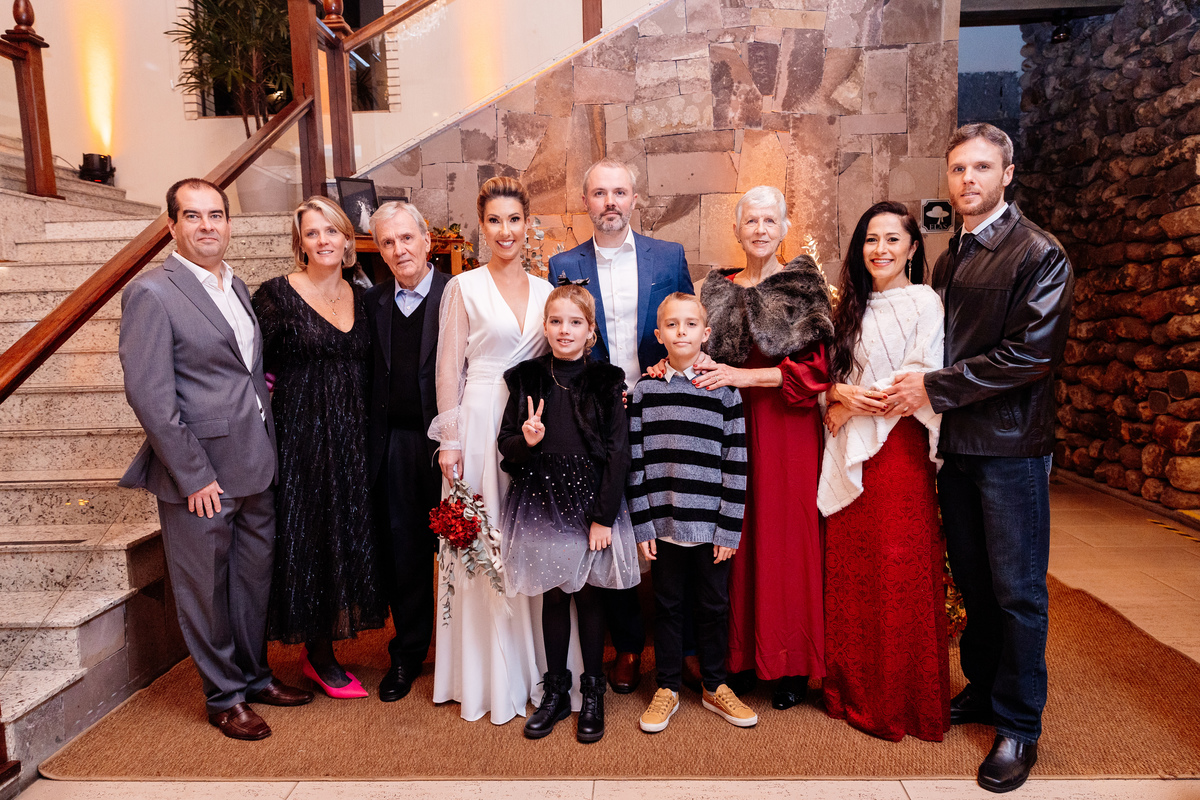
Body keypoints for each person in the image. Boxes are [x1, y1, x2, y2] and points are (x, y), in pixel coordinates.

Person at [885, 123, 1073, 792]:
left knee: (1018, 590)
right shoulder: (950, 256)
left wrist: (933, 387)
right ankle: (988, 690)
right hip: (957, 448)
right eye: (958, 168)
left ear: (1007, 172)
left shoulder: (1038, 254)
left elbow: (1032, 357)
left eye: (981, 167)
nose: (968, 179)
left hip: (1012, 449)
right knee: (973, 582)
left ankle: (1019, 724)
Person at [118, 178, 312, 741]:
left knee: (251, 583)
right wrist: (193, 474)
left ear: (230, 223)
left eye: (217, 215)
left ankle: (253, 676)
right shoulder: (152, 292)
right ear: (171, 226)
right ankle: (223, 696)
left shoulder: (237, 285)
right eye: (194, 216)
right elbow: (151, 396)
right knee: (205, 588)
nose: (208, 225)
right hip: (201, 474)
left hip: (255, 462)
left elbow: (245, 375)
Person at [548, 157, 693, 694]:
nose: (610, 201)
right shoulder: (562, 263)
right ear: (585, 201)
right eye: (599, 192)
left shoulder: (668, 256)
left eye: (620, 192)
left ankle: (681, 650)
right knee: (605, 526)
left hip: (657, 408)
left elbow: (685, 322)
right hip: (594, 415)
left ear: (634, 199)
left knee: (662, 519)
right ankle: (627, 646)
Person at [695, 185, 833, 710]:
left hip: (784, 428)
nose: (759, 230)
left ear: (783, 228)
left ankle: (791, 663)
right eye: (750, 221)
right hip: (726, 429)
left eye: (768, 221)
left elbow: (818, 370)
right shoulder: (715, 290)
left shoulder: (803, 287)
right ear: (736, 229)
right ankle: (743, 658)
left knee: (785, 538)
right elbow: (692, 352)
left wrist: (743, 376)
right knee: (737, 537)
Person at [818, 201, 950, 742]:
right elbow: (831, 379)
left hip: (900, 451)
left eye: (893, 240)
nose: (881, 250)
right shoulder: (846, 308)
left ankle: (901, 700)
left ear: (913, 248)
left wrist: (855, 403)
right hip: (851, 447)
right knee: (852, 563)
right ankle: (850, 689)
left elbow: (920, 373)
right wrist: (835, 396)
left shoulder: (925, 303)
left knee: (900, 565)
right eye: (871, 239)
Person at [429, 176, 556, 723]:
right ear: (482, 227)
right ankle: (483, 676)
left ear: (528, 225)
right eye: (494, 221)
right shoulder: (464, 287)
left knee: (529, 537)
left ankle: (537, 670)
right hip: (480, 422)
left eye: (514, 220)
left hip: (531, 426)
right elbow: (447, 369)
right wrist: (450, 442)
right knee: (482, 541)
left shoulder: (549, 291)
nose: (505, 230)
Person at [251, 197, 386, 699]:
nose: (324, 240)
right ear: (300, 243)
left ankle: (326, 649)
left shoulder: (366, 297)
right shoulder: (274, 296)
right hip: (299, 437)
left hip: (352, 437)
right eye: (312, 233)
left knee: (343, 534)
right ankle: (318, 654)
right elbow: (247, 369)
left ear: (348, 240)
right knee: (304, 537)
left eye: (332, 231)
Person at [496, 284, 639, 743]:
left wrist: (603, 515)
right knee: (553, 597)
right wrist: (528, 441)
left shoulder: (607, 381)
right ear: (545, 326)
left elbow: (619, 454)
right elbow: (507, 447)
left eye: (575, 322)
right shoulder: (527, 379)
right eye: (556, 321)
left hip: (589, 503)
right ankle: (555, 691)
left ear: (590, 332)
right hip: (541, 500)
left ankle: (591, 692)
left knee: (591, 596)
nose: (564, 330)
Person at [628, 292, 755, 733]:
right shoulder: (643, 393)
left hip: (710, 526)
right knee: (666, 606)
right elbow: (635, 463)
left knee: (714, 605)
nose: (682, 332)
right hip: (662, 525)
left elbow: (737, 463)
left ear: (707, 332)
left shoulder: (724, 393)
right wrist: (642, 522)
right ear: (659, 334)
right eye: (672, 325)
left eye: (690, 324)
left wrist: (728, 529)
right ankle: (666, 686)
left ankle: (715, 685)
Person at [363, 201, 450, 702]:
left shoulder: (457, 294)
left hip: (449, 443)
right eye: (388, 242)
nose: (399, 250)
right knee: (405, 556)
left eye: (407, 238)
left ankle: (467, 658)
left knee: (464, 548)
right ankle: (409, 652)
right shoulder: (371, 303)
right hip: (395, 445)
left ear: (427, 240)